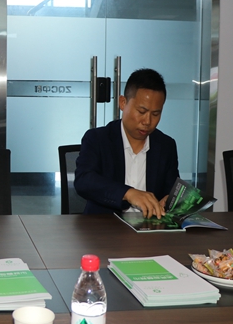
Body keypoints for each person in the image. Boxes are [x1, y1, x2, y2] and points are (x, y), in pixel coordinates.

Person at [74, 68, 178, 218]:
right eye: (141, 112)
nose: (147, 121)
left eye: (156, 114)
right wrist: (128, 193)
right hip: (105, 227)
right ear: (123, 102)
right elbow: (83, 180)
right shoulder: (97, 139)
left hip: (149, 229)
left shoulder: (166, 146)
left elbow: (171, 190)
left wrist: (169, 200)